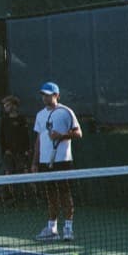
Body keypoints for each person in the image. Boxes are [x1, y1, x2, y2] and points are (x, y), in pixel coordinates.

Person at [32, 81, 81, 241]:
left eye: (48, 94)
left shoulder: (66, 112)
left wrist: (61, 136)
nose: (45, 97)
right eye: (43, 95)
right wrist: (35, 162)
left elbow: (78, 133)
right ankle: (52, 229)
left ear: (56, 95)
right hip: (45, 162)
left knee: (65, 195)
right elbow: (39, 139)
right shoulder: (40, 115)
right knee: (50, 196)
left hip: (63, 161)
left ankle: (68, 229)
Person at [0, 95, 33, 176]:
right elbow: (2, 137)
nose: (5, 107)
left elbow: (26, 136)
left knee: (23, 173)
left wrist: (27, 150)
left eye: (7, 105)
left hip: (21, 154)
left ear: (14, 106)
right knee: (9, 174)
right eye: (4, 106)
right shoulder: (4, 120)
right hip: (9, 154)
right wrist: (5, 150)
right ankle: (10, 189)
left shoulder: (22, 119)